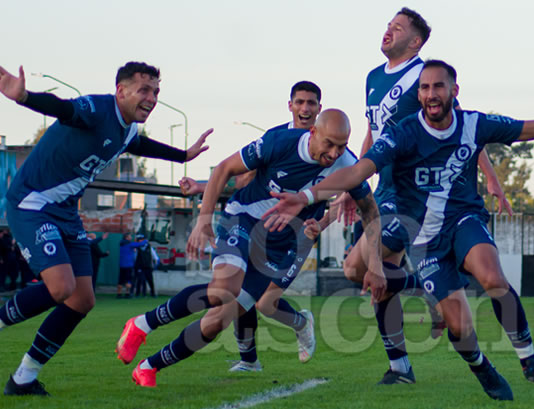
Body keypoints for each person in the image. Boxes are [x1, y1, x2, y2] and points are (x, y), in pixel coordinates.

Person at [263, 60, 534, 400]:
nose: (431, 93)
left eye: (438, 86)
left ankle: (530, 360)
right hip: (424, 239)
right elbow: (360, 169)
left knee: (491, 275)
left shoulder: (474, 124)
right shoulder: (401, 133)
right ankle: (481, 366)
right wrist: (308, 193)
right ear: (419, 95)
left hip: (464, 219)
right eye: (425, 88)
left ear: (454, 91)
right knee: (459, 328)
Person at [117, 110, 381, 388]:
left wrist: (374, 264)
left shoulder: (347, 164)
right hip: (244, 218)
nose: (334, 152)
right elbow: (224, 169)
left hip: (280, 245)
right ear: (313, 132)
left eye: (342, 145)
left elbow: (371, 212)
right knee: (224, 289)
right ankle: (142, 324)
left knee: (217, 320)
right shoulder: (279, 142)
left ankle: (149, 366)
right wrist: (204, 219)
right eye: (329, 143)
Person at [0, 61, 212, 396]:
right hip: (33, 205)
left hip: (66, 213)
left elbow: (142, 146)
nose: (152, 98)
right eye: (144, 90)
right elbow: (64, 109)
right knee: (60, 288)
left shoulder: (127, 129)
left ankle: (23, 378)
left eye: (156, 92)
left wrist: (183, 155)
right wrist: (25, 96)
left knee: (82, 300)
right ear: (121, 91)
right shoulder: (97, 109)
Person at [348, 8, 510, 385]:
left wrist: (490, 177)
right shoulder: (374, 77)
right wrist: (356, 180)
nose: (388, 32)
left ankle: (407, 350)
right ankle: (407, 348)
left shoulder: (423, 78)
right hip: (382, 189)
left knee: (366, 269)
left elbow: (457, 130)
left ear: (416, 41)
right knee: (361, 270)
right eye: (388, 26)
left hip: (414, 197)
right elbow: (374, 132)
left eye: (397, 28)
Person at [177, 80, 323, 372]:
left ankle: (301, 323)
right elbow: (244, 180)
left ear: (320, 108)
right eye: (300, 102)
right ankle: (249, 360)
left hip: (296, 237)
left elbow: (347, 191)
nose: (305, 108)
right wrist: (202, 187)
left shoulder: (331, 145)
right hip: (261, 230)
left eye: (311, 103)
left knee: (266, 303)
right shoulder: (277, 139)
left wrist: (322, 223)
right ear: (290, 105)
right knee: (239, 297)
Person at [118, 233, 147, 299]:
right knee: (128, 280)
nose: (131, 237)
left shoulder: (122, 244)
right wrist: (145, 240)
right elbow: (140, 244)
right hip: (128, 265)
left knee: (120, 280)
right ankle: (127, 294)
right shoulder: (129, 244)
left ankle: (119, 294)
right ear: (126, 237)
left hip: (121, 264)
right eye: (130, 236)